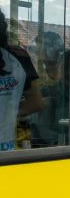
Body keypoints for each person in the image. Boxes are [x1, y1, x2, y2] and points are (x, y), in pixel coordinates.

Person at [0, 9, 43, 151]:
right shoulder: (19, 57)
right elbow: (36, 102)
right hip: (8, 146)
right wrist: (10, 114)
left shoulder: (18, 57)